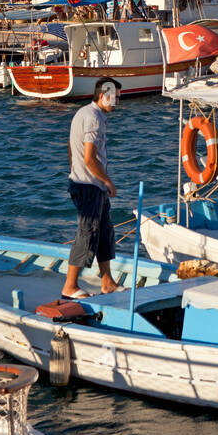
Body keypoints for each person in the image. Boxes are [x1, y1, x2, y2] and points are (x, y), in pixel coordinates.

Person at [64, 77, 122, 299]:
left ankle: (107, 282)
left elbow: (70, 145)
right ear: (103, 95)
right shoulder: (93, 118)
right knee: (87, 233)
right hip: (88, 185)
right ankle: (69, 286)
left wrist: (73, 167)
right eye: (115, 98)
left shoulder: (87, 113)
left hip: (91, 183)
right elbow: (89, 158)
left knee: (105, 231)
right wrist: (107, 181)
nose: (117, 102)